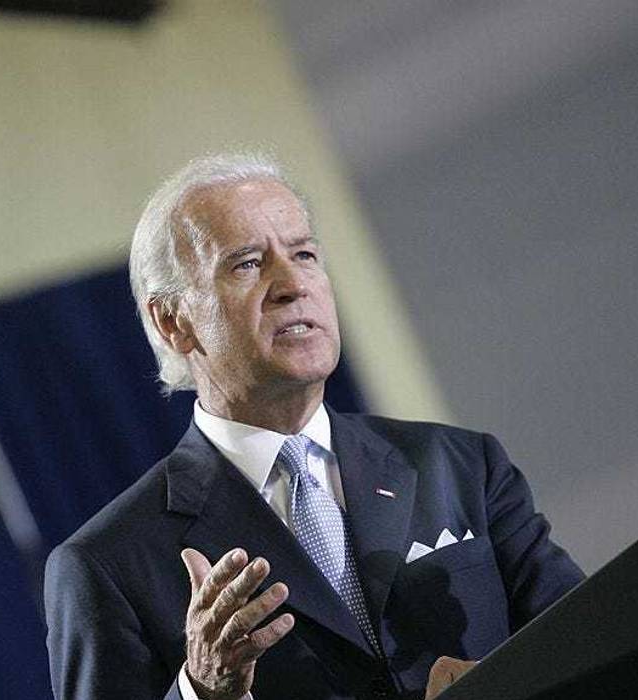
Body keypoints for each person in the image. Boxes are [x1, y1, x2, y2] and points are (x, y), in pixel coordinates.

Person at [44, 153, 583, 700]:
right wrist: (203, 691)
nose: (291, 283)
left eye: (303, 253)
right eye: (247, 263)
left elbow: (592, 639)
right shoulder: (107, 566)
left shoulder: (460, 465)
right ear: (173, 320)